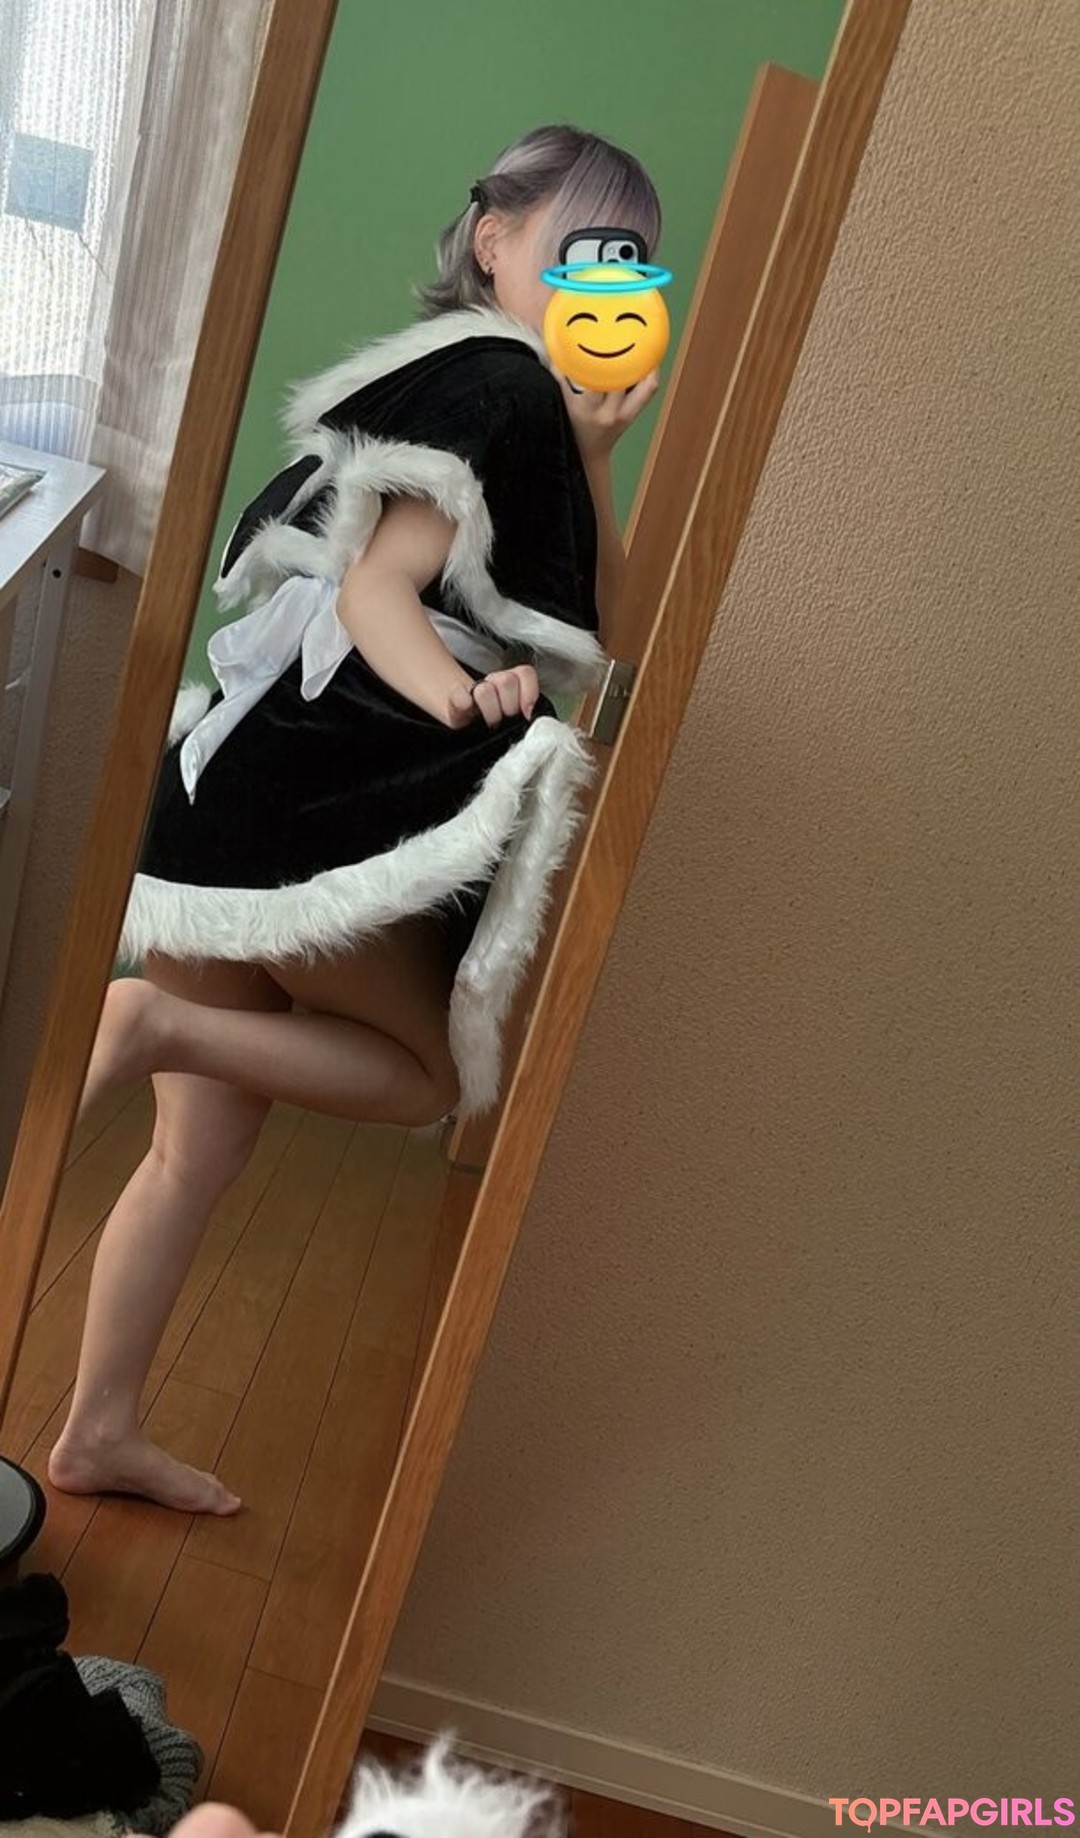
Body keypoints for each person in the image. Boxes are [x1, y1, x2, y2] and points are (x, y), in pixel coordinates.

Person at [49, 125, 662, 1516]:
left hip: (236, 787)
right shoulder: (500, 379)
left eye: (628, 257)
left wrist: (596, 455)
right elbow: (381, 589)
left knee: (195, 1150)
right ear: (494, 239)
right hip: (322, 794)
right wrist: (457, 700)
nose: (603, 274)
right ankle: (149, 1023)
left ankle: (95, 1430)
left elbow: (605, 628)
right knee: (423, 1078)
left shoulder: (491, 389)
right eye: (578, 243)